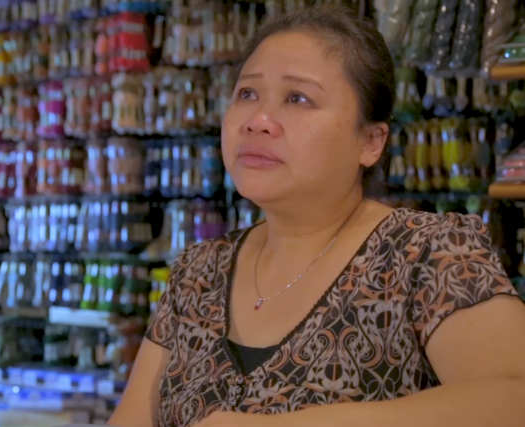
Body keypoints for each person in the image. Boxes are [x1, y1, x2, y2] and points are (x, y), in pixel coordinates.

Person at [107, 6, 525, 427]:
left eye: (298, 98)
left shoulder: (426, 253)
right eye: (247, 94)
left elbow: (513, 400)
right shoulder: (198, 273)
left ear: (371, 141)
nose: (258, 121)